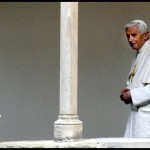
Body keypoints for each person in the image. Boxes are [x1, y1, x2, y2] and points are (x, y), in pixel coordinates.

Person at [120, 19, 150, 138]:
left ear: (146, 35)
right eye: (128, 36)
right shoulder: (139, 53)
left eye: (134, 35)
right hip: (135, 115)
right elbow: (137, 82)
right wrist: (128, 90)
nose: (130, 39)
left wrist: (133, 95)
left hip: (147, 116)